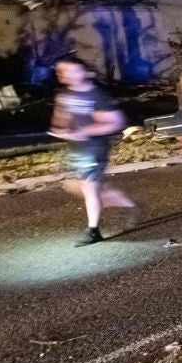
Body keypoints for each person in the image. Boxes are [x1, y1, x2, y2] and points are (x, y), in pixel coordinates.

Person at [49, 56, 139, 245]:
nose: (65, 74)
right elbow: (60, 120)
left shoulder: (96, 96)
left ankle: (93, 231)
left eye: (70, 70)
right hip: (75, 149)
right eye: (61, 71)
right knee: (71, 185)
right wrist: (61, 130)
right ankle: (119, 199)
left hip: (94, 149)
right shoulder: (64, 95)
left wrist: (85, 131)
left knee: (89, 189)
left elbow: (116, 122)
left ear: (83, 72)